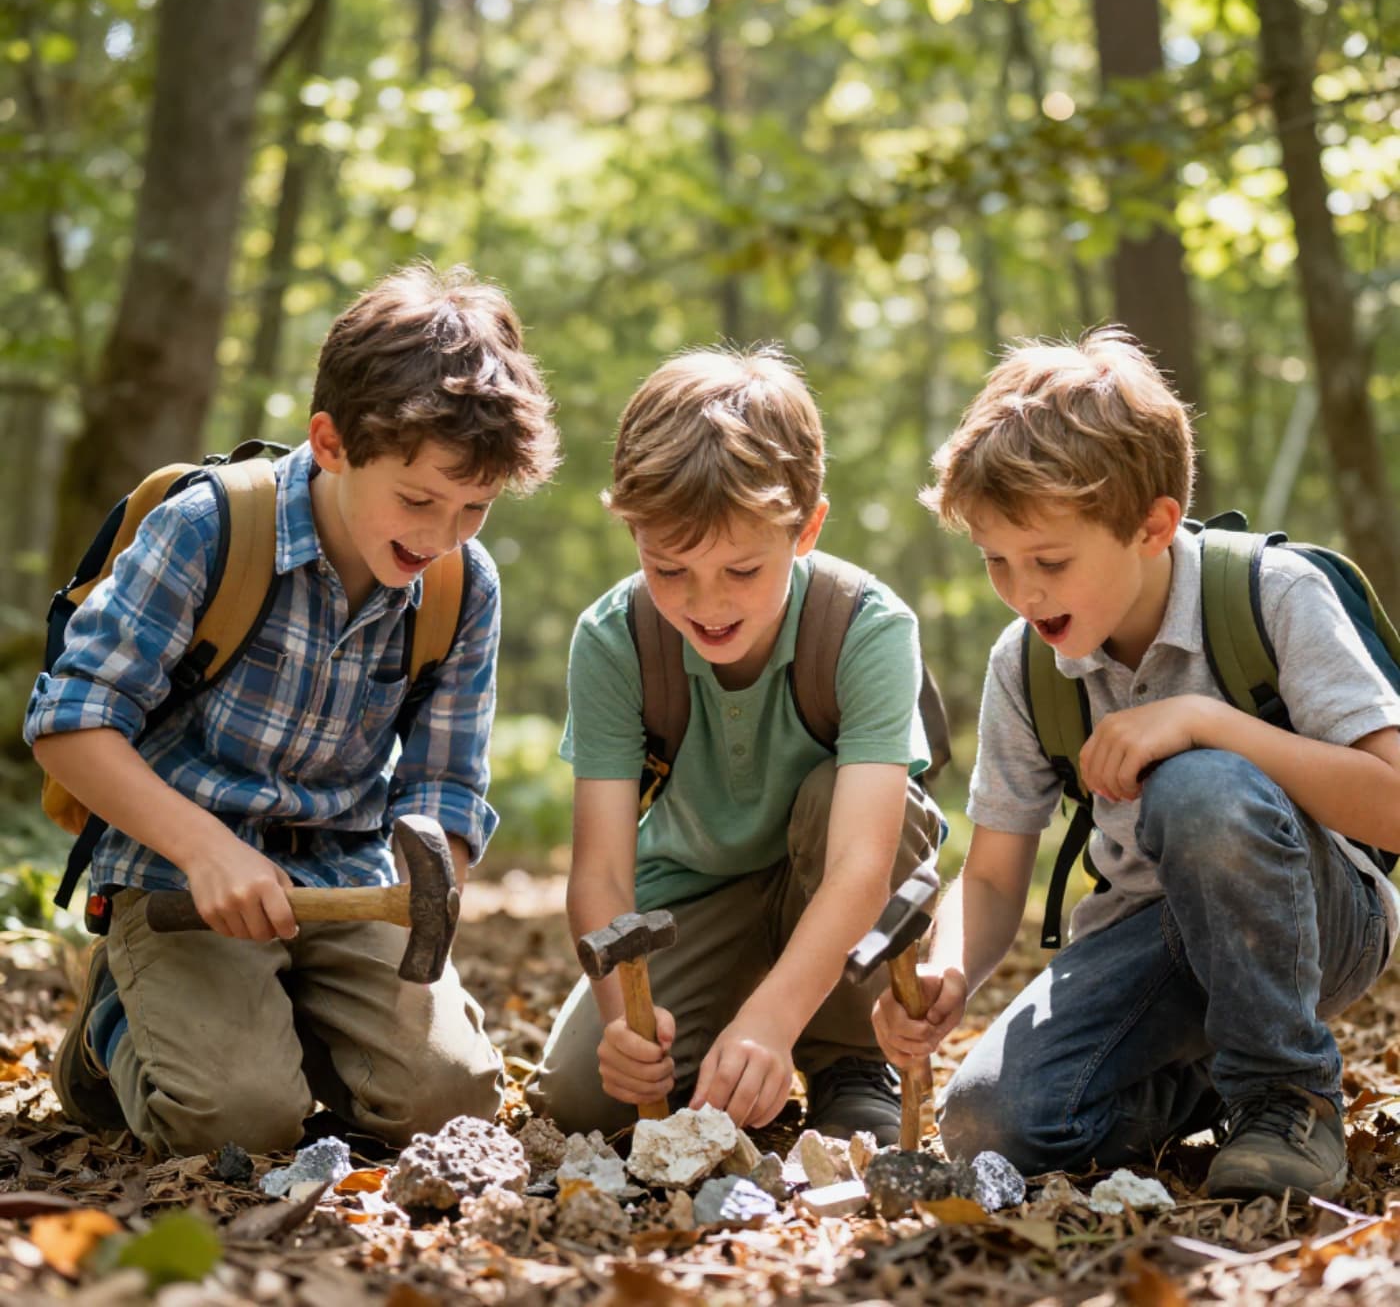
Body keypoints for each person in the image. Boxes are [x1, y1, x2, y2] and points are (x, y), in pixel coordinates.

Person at [27, 262, 559, 1156]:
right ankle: (110, 1035)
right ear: (332, 442)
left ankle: (279, 1023)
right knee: (237, 1123)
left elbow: (445, 786)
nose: (440, 536)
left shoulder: (462, 587)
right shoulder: (207, 529)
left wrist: (433, 876)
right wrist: (205, 849)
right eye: (418, 499)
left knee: (450, 1102)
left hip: (346, 880)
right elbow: (69, 724)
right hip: (178, 877)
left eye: (475, 508)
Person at [872, 328, 1400, 1199]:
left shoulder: (1275, 595)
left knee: (1199, 786)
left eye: (1050, 561)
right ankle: (1224, 1082)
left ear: (1153, 525)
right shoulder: (1024, 664)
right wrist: (950, 967)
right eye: (996, 561)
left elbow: (1390, 804)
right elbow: (994, 875)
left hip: (1315, 915)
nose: (1023, 591)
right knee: (989, 1126)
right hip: (1149, 939)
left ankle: (1289, 1097)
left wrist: (1204, 722)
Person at [530, 346, 944, 1144]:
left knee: (843, 803)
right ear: (634, 534)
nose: (707, 603)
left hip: (828, 875)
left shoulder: (868, 628)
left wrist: (773, 1019)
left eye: (743, 570)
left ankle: (849, 1059)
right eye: (669, 569)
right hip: (689, 899)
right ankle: (710, 1051)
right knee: (586, 1099)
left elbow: (863, 862)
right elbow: (602, 872)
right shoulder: (614, 640)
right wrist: (624, 1024)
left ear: (806, 528)